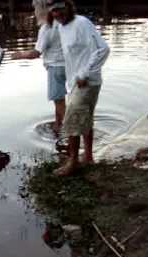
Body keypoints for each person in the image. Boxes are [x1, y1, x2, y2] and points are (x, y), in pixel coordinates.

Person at [47, 0, 110, 176]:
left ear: (68, 7)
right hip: (76, 82)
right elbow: (70, 55)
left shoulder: (82, 23)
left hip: (88, 81)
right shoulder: (60, 27)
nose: (57, 14)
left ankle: (73, 161)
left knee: (72, 119)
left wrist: (84, 74)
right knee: (85, 117)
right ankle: (88, 156)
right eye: (53, 11)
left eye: (59, 9)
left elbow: (103, 49)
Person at [13, 0, 67, 135]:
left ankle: (66, 128)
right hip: (69, 65)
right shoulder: (63, 23)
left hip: (55, 67)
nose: (35, 12)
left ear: (42, 10)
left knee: (59, 101)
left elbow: (35, 53)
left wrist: (19, 55)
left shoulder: (46, 28)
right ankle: (59, 125)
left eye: (35, 9)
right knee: (60, 99)